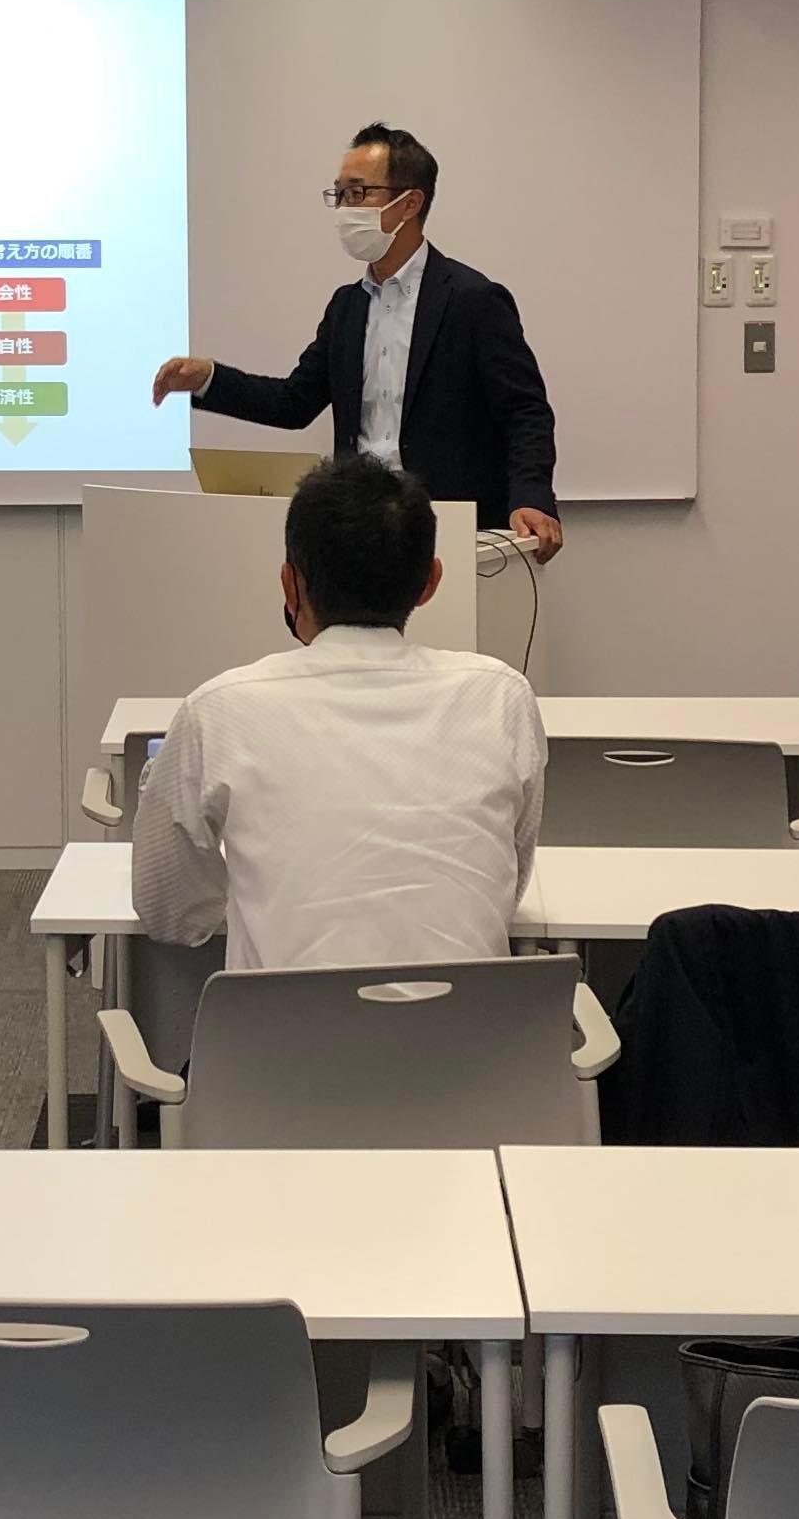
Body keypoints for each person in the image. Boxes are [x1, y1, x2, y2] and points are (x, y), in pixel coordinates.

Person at [132, 453, 546, 971]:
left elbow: (169, 914)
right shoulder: (502, 697)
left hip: (278, 1026)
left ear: (290, 584)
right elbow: (505, 886)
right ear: (430, 582)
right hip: (470, 1024)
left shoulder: (219, 710)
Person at [153, 120, 564, 560]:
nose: (344, 209)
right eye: (339, 194)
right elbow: (294, 402)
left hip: (451, 528)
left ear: (410, 203)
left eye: (358, 193)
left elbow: (525, 411)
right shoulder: (347, 306)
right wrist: (208, 379)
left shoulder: (472, 299)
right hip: (359, 527)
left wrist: (532, 496)